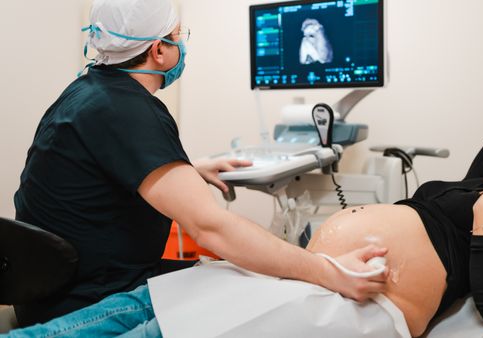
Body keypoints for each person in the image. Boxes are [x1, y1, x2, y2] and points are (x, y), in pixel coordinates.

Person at [3, 102, 483, 338]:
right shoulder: (469, 184)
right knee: (146, 301)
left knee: (164, 330)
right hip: (322, 274)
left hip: (366, 301)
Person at [9, 0, 388, 328]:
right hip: (89, 302)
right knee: (251, 281)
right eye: (178, 34)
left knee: (232, 273)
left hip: (45, 292)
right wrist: (328, 270)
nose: (181, 43)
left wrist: (190, 169)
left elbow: (111, 171)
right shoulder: (130, 110)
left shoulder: (86, 92)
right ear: (159, 50)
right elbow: (213, 229)